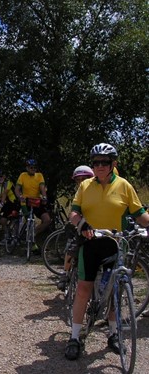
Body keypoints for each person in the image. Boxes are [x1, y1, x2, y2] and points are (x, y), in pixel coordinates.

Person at [65, 143, 149, 361]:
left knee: (115, 291)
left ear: (113, 164)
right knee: (84, 289)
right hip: (91, 243)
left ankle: (113, 334)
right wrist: (82, 224)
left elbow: (139, 214)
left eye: (104, 162)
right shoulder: (85, 187)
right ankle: (74, 337)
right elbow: (73, 213)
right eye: (96, 162)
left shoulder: (124, 186)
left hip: (116, 243)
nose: (99, 166)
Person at [56, 165, 95, 291]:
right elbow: (74, 211)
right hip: (80, 226)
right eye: (78, 179)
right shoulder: (80, 192)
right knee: (71, 247)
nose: (81, 181)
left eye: (85, 178)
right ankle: (65, 273)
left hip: (94, 227)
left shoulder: (96, 190)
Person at [14, 159, 51, 250]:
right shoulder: (23, 175)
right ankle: (33, 245)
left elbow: (42, 189)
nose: (33, 169)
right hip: (25, 201)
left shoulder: (39, 175)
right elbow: (17, 189)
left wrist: (44, 197)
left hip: (36, 201)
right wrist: (20, 196)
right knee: (30, 221)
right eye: (31, 167)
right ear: (27, 168)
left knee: (47, 220)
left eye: (35, 167)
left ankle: (32, 234)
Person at [0, 170, 20, 246]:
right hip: (7, 204)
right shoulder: (0, 186)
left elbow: (5, 193)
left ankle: (15, 238)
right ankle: (7, 237)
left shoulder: (8, 183)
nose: (0, 178)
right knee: (2, 220)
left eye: (1, 176)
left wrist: (1, 203)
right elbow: (1, 196)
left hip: (14, 203)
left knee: (14, 220)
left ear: (5, 176)